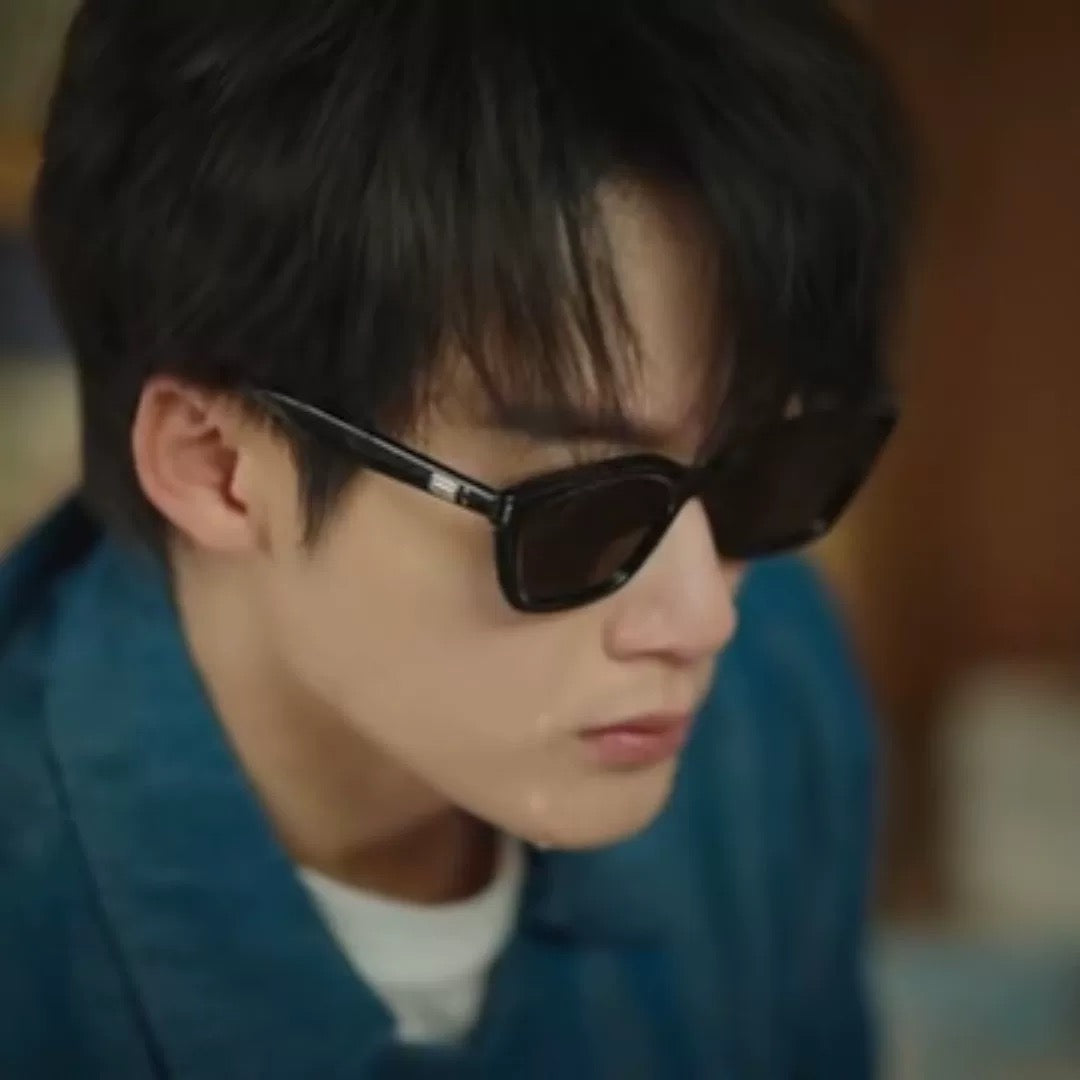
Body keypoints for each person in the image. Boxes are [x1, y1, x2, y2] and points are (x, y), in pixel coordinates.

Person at [0, 2, 912, 1076]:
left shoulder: (774, 698)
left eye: (761, 475)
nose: (705, 615)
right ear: (218, 467)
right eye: (580, 508)